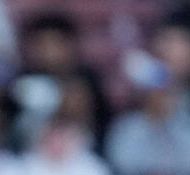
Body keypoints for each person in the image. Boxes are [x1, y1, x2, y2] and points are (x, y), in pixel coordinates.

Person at [8, 12, 112, 151]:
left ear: (70, 45)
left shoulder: (87, 81)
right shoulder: (21, 82)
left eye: (55, 44)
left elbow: (103, 127)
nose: (49, 52)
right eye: (41, 44)